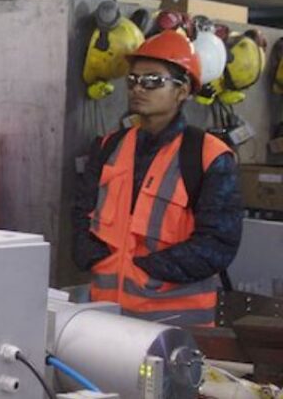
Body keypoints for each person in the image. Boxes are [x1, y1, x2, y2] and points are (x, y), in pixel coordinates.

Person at [72, 31, 241, 327]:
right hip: (107, 318)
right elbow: (81, 215)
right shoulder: (108, 147)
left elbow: (218, 243)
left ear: (182, 89)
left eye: (152, 81)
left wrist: (145, 269)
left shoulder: (208, 157)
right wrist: (92, 257)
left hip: (177, 326)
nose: (139, 88)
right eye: (133, 80)